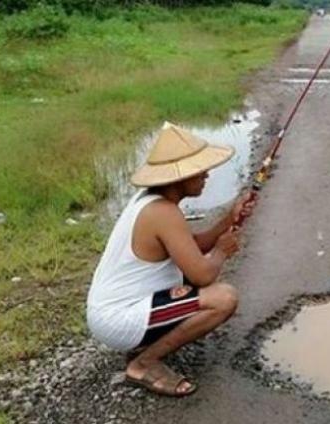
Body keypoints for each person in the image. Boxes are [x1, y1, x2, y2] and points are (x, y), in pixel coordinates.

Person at [87, 121, 256, 397]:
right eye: (199, 170)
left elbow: (191, 246)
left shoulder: (152, 202)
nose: (206, 175)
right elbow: (203, 274)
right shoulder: (163, 213)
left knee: (192, 278)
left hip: (113, 311)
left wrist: (229, 219)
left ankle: (145, 345)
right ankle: (143, 364)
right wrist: (221, 252)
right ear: (180, 176)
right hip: (117, 318)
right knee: (224, 298)